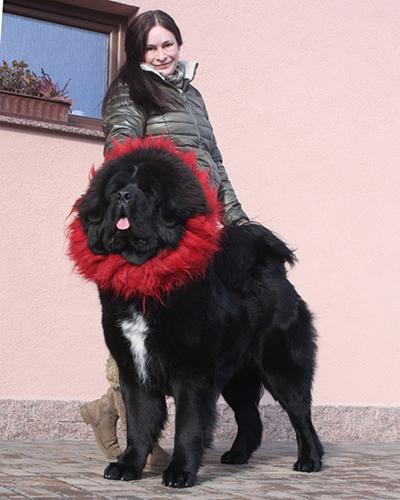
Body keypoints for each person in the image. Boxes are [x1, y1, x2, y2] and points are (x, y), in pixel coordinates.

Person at [80, 9, 248, 467]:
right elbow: (121, 148)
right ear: (138, 52)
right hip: (158, 224)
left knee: (173, 329)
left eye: (167, 44)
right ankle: (131, 427)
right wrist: (137, 205)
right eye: (150, 47)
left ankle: (108, 412)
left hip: (198, 227)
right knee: (143, 321)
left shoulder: (192, 95)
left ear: (179, 43)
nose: (161, 55)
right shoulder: (130, 90)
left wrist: (237, 218)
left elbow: (214, 160)